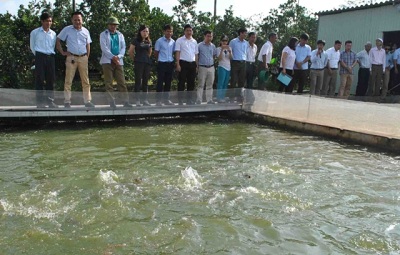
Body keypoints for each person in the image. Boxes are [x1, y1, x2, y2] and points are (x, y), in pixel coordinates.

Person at [57, 11, 94, 108]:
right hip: (71, 57)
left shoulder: (86, 31)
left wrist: (87, 57)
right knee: (68, 80)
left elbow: (88, 44)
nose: (77, 22)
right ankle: (67, 101)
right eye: (75, 20)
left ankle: (87, 101)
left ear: (82, 20)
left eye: (79, 20)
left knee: (85, 81)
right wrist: (62, 52)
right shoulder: (67, 29)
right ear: (72, 20)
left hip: (83, 57)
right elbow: (58, 40)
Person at [99, 17, 132, 109]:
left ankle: (125, 101)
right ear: (108, 25)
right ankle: (111, 102)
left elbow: (123, 47)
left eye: (115, 25)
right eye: (111, 24)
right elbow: (104, 48)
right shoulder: (103, 34)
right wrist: (112, 57)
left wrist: (119, 57)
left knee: (122, 82)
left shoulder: (120, 35)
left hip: (118, 61)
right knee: (109, 82)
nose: (113, 26)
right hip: (107, 61)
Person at [30, 12, 58, 108]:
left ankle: (50, 101)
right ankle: (40, 102)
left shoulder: (53, 34)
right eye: (46, 21)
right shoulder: (35, 32)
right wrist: (38, 56)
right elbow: (32, 46)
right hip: (40, 56)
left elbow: (53, 46)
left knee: (50, 80)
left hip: (50, 57)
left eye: (50, 21)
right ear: (42, 21)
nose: (48, 23)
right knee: (40, 80)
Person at [175, 24, 198, 105]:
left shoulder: (194, 41)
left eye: (190, 30)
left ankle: (189, 100)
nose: (189, 32)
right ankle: (180, 100)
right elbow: (177, 52)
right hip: (183, 63)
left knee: (191, 83)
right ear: (184, 31)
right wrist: (178, 64)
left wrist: (196, 65)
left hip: (192, 64)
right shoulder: (180, 40)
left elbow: (196, 54)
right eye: (187, 30)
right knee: (181, 82)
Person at [129, 25, 152, 106]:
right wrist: (135, 59)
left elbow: (150, 51)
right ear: (140, 32)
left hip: (147, 62)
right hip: (138, 62)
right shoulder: (136, 40)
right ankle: (137, 100)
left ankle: (145, 100)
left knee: (146, 81)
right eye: (144, 31)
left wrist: (146, 58)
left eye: (147, 31)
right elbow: (131, 51)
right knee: (138, 81)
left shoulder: (148, 41)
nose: (145, 33)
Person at [154, 24, 175, 106]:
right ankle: (158, 100)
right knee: (160, 82)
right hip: (162, 63)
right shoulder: (159, 41)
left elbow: (174, 52)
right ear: (164, 32)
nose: (169, 33)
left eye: (171, 31)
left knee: (168, 82)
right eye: (167, 31)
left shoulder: (173, 42)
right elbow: (156, 53)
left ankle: (167, 99)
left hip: (170, 63)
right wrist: (160, 60)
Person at [196, 30, 217, 104]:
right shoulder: (199, 45)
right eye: (208, 36)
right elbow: (197, 56)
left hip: (211, 67)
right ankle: (199, 99)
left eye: (211, 36)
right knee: (201, 84)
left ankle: (209, 100)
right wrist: (197, 66)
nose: (209, 38)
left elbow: (214, 56)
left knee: (210, 85)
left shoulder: (213, 46)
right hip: (202, 67)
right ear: (204, 36)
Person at [229, 28, 248, 101]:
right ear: (240, 33)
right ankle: (231, 97)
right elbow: (230, 52)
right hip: (235, 62)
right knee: (233, 80)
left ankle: (240, 96)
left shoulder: (246, 43)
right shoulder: (233, 41)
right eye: (244, 33)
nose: (246, 35)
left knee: (242, 80)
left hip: (243, 62)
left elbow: (245, 52)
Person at [216, 35, 232, 103]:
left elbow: (231, 58)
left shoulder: (229, 48)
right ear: (221, 41)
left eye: (226, 41)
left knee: (225, 83)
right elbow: (219, 59)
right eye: (223, 41)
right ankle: (219, 97)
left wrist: (230, 52)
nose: (225, 42)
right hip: (221, 66)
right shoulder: (218, 49)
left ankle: (223, 97)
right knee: (221, 83)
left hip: (228, 67)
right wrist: (222, 49)